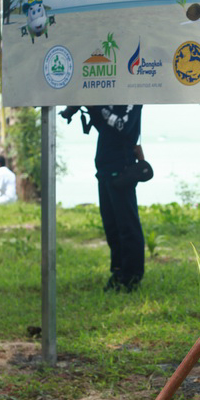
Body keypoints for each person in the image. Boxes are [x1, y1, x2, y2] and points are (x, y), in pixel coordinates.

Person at [87, 104, 146, 293]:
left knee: (127, 226)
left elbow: (123, 125)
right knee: (111, 226)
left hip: (122, 171)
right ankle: (118, 271)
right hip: (103, 171)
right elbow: (104, 128)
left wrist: (98, 108)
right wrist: (92, 110)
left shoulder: (131, 97)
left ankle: (132, 277)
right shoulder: (108, 102)